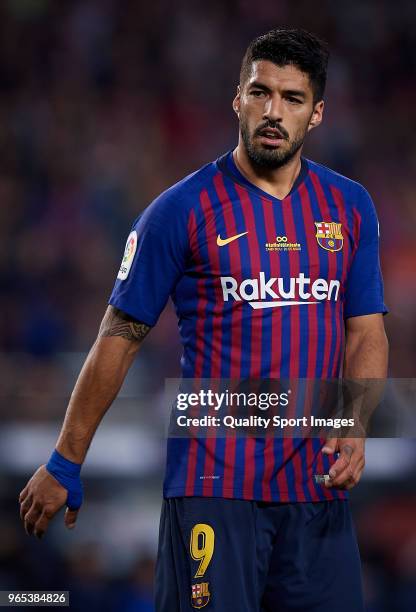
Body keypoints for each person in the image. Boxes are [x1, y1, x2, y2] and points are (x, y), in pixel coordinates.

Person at [19, 28, 388, 611]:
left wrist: (355, 419)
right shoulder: (179, 210)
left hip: (315, 492)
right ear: (236, 99)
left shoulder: (350, 206)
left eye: (292, 99)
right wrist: (66, 458)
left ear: (316, 115)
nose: (273, 111)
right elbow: (118, 337)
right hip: (214, 488)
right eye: (260, 92)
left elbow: (366, 330)